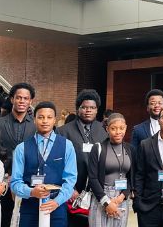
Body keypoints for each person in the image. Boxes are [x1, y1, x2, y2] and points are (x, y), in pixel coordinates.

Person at [10, 101, 77, 227]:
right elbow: (15, 183)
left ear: (55, 120)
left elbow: (70, 179)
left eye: (49, 117)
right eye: (41, 117)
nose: (45, 121)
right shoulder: (21, 148)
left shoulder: (67, 145)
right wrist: (31, 192)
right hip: (29, 208)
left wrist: (57, 202)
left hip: (57, 207)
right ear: (34, 120)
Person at [56, 89, 108, 226]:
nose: (88, 110)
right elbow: (57, 163)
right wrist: (69, 188)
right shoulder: (63, 131)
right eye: (84, 107)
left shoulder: (104, 131)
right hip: (72, 192)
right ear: (78, 109)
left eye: (92, 108)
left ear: (97, 110)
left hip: (97, 193)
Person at [0, 83, 38, 227]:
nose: (22, 101)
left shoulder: (36, 126)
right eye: (19, 98)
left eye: (26, 98)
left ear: (30, 101)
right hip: (4, 180)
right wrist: (7, 174)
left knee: (27, 219)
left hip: (29, 181)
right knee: (4, 218)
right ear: (12, 99)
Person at [87, 113, 134, 227]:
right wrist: (107, 202)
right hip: (101, 198)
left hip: (121, 199)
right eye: (113, 128)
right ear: (107, 129)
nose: (118, 132)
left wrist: (122, 197)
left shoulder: (130, 149)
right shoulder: (98, 148)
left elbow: (131, 177)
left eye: (121, 128)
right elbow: (92, 179)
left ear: (126, 128)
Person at [131, 89, 163, 155]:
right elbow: (134, 154)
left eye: (160, 103)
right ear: (147, 107)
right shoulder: (138, 129)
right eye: (153, 103)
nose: (157, 106)